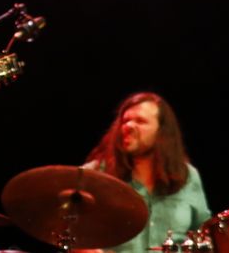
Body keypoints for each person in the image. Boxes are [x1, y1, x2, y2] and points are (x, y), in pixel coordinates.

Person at [83, 92, 210, 253]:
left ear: (161, 132)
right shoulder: (95, 174)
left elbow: (204, 233)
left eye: (140, 121)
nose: (127, 126)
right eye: (125, 120)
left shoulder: (188, 176)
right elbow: (71, 227)